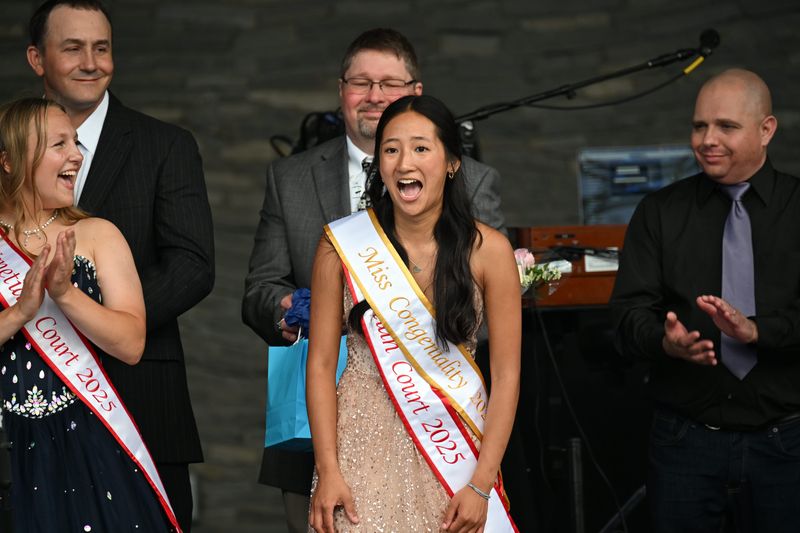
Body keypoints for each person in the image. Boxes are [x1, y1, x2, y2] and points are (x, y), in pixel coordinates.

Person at [242, 28, 505, 531]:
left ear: (417, 92)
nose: (375, 96)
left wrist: (412, 333)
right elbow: (258, 290)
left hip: (443, 425)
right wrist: (302, 308)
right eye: (361, 83)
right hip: (330, 427)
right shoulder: (291, 180)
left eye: (389, 83)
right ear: (340, 90)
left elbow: (486, 317)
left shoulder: (475, 183)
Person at [25, 2, 215, 530]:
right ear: (37, 59)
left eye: (102, 48)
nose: (91, 62)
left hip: (140, 396)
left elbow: (194, 265)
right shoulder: (8, 149)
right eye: (72, 48)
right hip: (25, 402)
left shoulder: (165, 145)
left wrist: (92, 318)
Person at [305, 94, 520, 532]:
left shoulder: (489, 251)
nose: (405, 162)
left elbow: (508, 374)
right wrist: (328, 470)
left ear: (452, 162)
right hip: (358, 451)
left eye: (421, 148)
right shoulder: (341, 247)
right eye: (391, 149)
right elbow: (321, 363)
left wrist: (480, 485)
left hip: (454, 456)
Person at [611, 68, 800, 532]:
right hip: (685, 444)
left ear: (766, 130)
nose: (707, 139)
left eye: (726, 127)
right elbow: (626, 316)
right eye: (699, 126)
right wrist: (664, 342)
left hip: (787, 443)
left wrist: (758, 332)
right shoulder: (659, 212)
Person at [0, 97, 175, 531]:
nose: (76, 155)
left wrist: (65, 294)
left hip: (90, 438)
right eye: (59, 144)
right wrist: (22, 310)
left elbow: (132, 344)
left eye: (76, 143)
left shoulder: (96, 234)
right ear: (10, 161)